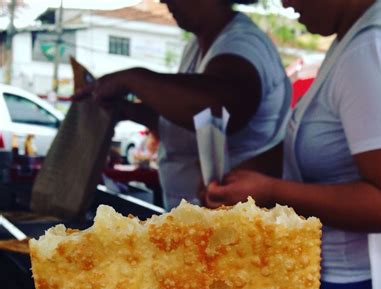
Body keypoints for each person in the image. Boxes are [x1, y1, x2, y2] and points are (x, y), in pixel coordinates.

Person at [202, 0, 381, 289]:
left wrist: (270, 190)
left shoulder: (376, 50)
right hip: (346, 286)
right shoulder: (358, 39)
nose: (285, 2)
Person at [73, 0, 291, 210]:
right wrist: (128, 110)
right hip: (199, 222)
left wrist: (134, 79)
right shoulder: (198, 45)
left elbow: (218, 108)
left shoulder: (243, 44)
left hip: (235, 227)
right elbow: (184, 121)